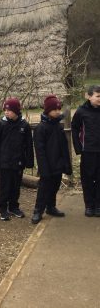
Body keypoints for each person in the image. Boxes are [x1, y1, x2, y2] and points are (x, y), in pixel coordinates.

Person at [0, 98, 34, 221]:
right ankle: (2, 208)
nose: (6, 112)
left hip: (18, 161)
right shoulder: (1, 125)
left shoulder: (24, 125)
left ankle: (14, 206)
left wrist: (29, 161)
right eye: (5, 110)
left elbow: (28, 145)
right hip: (4, 162)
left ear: (15, 110)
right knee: (4, 186)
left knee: (15, 186)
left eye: (9, 110)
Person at [32, 95, 72, 224]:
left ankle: (51, 206)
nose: (58, 112)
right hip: (47, 165)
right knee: (44, 188)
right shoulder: (41, 128)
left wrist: (66, 164)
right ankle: (38, 210)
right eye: (55, 109)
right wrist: (44, 168)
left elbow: (64, 147)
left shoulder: (59, 126)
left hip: (58, 163)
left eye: (59, 109)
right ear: (48, 110)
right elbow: (40, 151)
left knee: (55, 186)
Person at [72, 85, 100, 217]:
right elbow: (74, 129)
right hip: (88, 151)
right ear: (89, 97)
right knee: (88, 179)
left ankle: (98, 205)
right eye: (98, 96)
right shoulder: (81, 112)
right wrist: (79, 149)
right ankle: (89, 205)